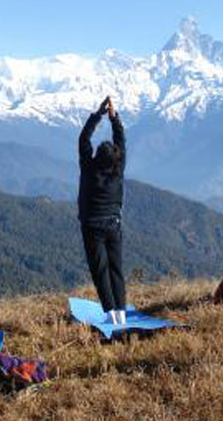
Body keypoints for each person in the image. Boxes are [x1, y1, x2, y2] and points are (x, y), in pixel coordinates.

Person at [78, 96, 128, 325]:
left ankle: (111, 313)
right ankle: (122, 311)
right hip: (113, 224)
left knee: (100, 270)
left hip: (92, 225)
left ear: (97, 155)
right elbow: (121, 140)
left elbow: (83, 138)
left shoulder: (89, 168)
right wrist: (113, 117)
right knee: (116, 267)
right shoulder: (118, 170)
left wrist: (98, 114)